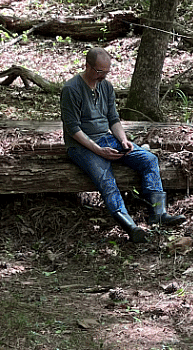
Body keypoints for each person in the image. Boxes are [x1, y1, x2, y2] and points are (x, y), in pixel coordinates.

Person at [60, 48, 186, 242]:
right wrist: (99, 151)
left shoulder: (107, 87)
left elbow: (113, 119)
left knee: (149, 159)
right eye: (99, 72)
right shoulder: (71, 89)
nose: (103, 76)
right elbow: (72, 129)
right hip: (81, 146)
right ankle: (131, 226)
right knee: (106, 179)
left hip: (107, 138)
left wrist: (123, 139)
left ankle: (158, 213)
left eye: (106, 72)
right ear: (87, 66)